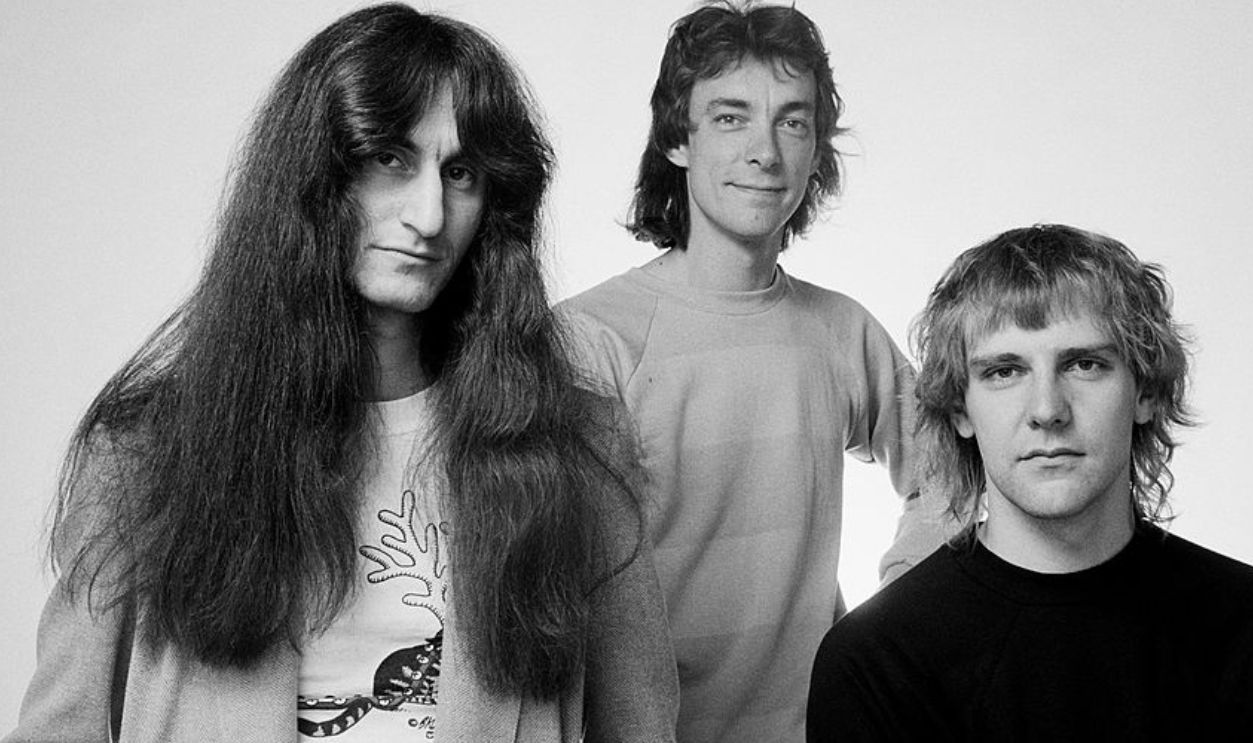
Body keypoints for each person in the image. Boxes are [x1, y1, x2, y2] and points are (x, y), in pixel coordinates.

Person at [4, 5, 678, 742]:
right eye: (389, 158)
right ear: (314, 175)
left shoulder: (574, 450)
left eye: (460, 173)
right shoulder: (145, 455)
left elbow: (638, 723)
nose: (428, 214)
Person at [558, 3, 950, 740]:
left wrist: (896, 607)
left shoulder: (841, 332)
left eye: (792, 121)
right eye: (731, 118)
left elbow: (951, 469)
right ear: (678, 138)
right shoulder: (590, 338)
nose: (765, 152)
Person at [808, 224, 1253, 741]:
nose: (1047, 410)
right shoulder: (876, 662)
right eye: (1004, 372)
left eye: (1085, 364)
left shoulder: (1243, 629)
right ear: (959, 409)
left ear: (1145, 392)